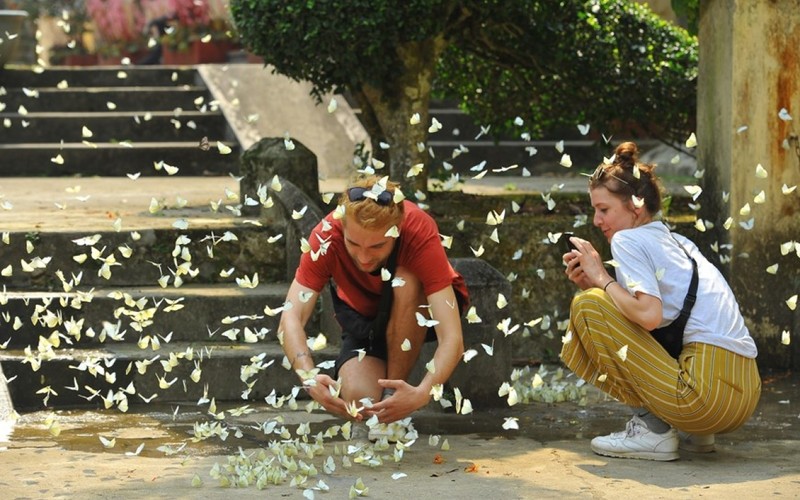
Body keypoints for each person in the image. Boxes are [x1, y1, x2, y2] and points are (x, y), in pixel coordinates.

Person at [561, 141, 760, 461]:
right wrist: (595, 283)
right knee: (599, 299)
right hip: (743, 397)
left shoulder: (627, 239)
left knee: (587, 306)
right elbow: (655, 320)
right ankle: (694, 433)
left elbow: (649, 316)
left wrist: (600, 281)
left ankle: (652, 431)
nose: (597, 221)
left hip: (704, 399)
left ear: (636, 205)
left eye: (604, 209)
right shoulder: (676, 241)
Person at [278, 174, 468, 429]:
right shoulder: (326, 234)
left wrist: (423, 392)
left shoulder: (418, 228)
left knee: (406, 279)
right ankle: (382, 404)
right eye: (353, 243)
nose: (364, 257)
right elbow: (290, 316)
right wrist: (308, 376)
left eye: (377, 246)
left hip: (420, 310)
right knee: (361, 400)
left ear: (397, 229)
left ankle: (393, 395)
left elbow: (453, 338)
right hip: (364, 319)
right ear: (342, 227)